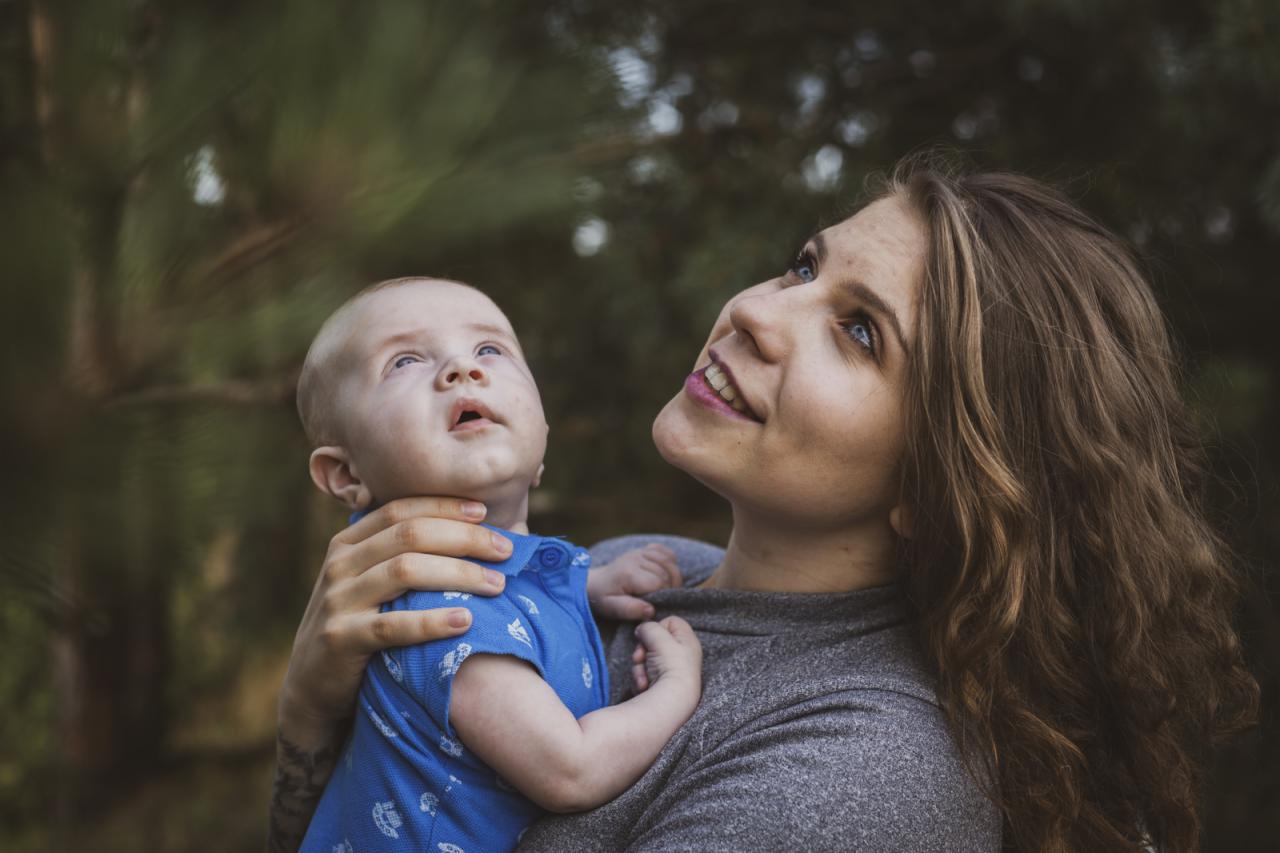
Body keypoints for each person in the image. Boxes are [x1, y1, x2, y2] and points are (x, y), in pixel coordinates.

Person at [269, 159, 1259, 853]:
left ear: (938, 483)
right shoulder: (636, 569)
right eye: (802, 264)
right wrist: (312, 711)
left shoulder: (856, 770)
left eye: (859, 333)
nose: (753, 308)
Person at [289, 277, 703, 852]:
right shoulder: (437, 613)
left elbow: (512, 581)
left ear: (541, 444)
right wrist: (678, 689)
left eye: (489, 349)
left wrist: (587, 586)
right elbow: (571, 769)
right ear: (348, 476)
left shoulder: (477, 569)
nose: (462, 369)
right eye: (404, 360)